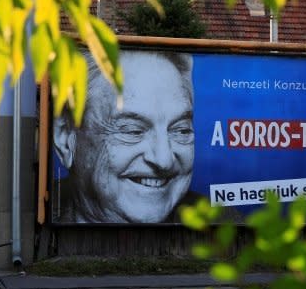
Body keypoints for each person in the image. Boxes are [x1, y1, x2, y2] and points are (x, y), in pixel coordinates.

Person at [52, 50, 197, 223]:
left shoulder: (223, 232)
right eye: (132, 131)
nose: (164, 160)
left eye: (181, 130)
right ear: (65, 139)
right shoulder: (37, 216)